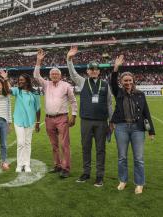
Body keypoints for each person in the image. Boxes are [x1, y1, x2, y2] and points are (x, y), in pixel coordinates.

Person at [67, 46, 113, 187]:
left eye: (96, 69)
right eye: (91, 69)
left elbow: (109, 104)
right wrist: (69, 59)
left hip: (101, 122)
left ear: (99, 71)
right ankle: (86, 173)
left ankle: (99, 176)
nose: (93, 71)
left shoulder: (105, 84)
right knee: (86, 147)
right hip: (86, 121)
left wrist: (111, 122)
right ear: (87, 71)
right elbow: (73, 74)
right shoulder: (82, 82)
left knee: (101, 149)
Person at [110, 55, 155, 194]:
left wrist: (151, 131)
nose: (128, 82)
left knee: (138, 158)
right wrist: (116, 68)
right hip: (122, 128)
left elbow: (146, 113)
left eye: (130, 80)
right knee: (122, 157)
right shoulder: (118, 92)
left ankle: (139, 183)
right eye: (125, 80)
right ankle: (123, 181)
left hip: (138, 129)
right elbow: (112, 82)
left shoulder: (140, 94)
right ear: (122, 82)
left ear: (133, 81)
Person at [34, 49, 78, 178]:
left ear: (60, 76)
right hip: (48, 119)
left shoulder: (66, 86)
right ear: (49, 76)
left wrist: (73, 115)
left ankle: (66, 168)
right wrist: (38, 61)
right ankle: (57, 165)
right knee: (54, 145)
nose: (54, 75)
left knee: (64, 144)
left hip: (62, 118)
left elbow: (73, 101)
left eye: (56, 74)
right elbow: (36, 76)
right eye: (52, 74)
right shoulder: (46, 84)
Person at [0, 70, 41, 173]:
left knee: (27, 143)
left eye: (22, 80)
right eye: (19, 80)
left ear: (27, 81)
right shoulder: (17, 90)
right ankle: (19, 164)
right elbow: (7, 90)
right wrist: (5, 79)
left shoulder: (35, 92)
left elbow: (38, 108)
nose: (20, 82)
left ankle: (27, 165)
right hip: (18, 120)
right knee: (21, 143)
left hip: (30, 121)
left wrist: (37, 123)